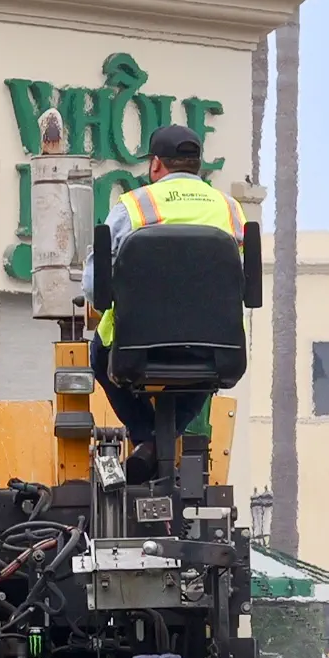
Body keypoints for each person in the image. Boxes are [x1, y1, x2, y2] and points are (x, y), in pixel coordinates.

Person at [86, 121, 245, 472]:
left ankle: (147, 435)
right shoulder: (230, 209)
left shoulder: (135, 206)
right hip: (212, 346)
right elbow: (243, 280)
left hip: (135, 347)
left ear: (156, 164)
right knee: (207, 372)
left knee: (98, 357)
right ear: (197, 165)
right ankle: (163, 438)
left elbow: (91, 284)